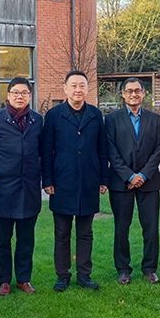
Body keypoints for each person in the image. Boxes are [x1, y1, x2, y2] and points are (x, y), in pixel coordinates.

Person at [41, 69, 109, 291]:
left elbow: (102, 149)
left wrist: (103, 179)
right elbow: (46, 150)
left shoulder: (95, 115)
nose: (78, 90)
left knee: (85, 232)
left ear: (87, 89)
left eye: (82, 86)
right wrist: (47, 180)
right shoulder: (54, 115)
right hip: (62, 181)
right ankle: (62, 275)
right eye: (74, 86)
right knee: (62, 232)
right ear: (65, 89)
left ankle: (84, 274)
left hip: (89, 180)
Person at [0, 77, 43, 296]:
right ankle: (4, 280)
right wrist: (2, 169)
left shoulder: (37, 120)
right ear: (8, 95)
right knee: (2, 240)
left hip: (29, 188)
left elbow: (43, 151)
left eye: (24, 93)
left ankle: (24, 279)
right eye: (16, 92)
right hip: (4, 189)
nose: (20, 96)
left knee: (26, 239)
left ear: (29, 96)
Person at [105, 78, 160, 284]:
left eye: (137, 90)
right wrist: (130, 176)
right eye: (129, 91)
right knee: (121, 228)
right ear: (123, 94)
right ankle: (123, 269)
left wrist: (143, 175)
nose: (133, 94)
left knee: (151, 228)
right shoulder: (112, 119)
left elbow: (159, 149)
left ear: (143, 93)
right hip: (121, 183)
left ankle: (150, 268)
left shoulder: (155, 119)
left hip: (149, 182)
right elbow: (111, 151)